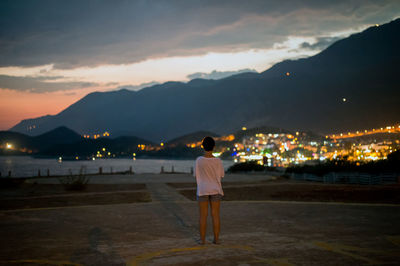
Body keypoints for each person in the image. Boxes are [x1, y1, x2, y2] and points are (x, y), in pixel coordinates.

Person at [194, 136, 224, 245]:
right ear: (214, 147)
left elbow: (195, 175)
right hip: (215, 189)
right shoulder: (218, 161)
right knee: (215, 215)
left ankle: (202, 240)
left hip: (202, 190)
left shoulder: (199, 160)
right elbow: (221, 175)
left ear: (203, 147)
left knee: (203, 216)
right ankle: (216, 239)